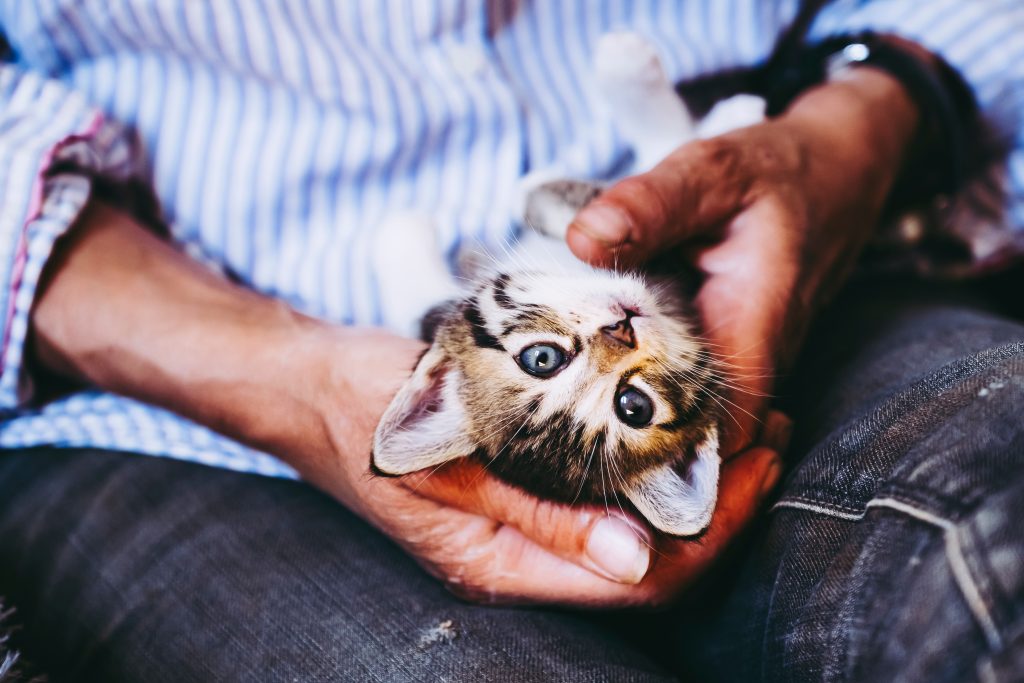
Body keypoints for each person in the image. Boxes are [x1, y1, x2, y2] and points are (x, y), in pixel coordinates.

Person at [0, 1, 1021, 680]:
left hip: (790, 239)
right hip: (160, 403)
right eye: (625, 391)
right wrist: (270, 372)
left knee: (998, 510)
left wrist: (873, 113)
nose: (617, 347)